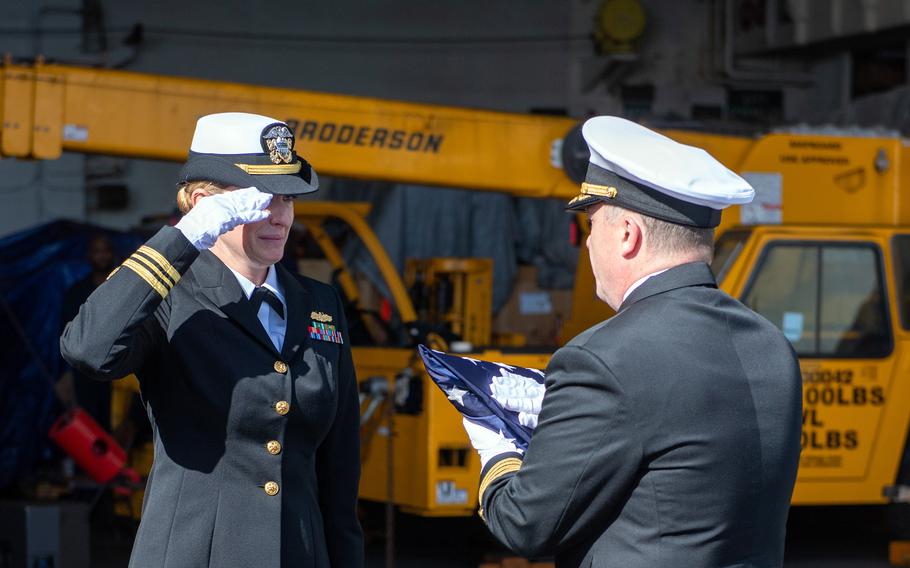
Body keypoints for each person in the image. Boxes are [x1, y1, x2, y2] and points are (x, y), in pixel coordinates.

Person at [463, 116, 802, 567]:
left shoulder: (601, 361)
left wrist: (498, 446)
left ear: (627, 235)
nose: (586, 246)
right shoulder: (772, 346)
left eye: (591, 227)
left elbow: (525, 525)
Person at [60, 112, 363, 568]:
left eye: (287, 197)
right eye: (261, 198)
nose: (279, 215)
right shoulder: (167, 296)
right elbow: (89, 349)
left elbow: (339, 473)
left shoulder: (319, 303)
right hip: (197, 552)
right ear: (203, 202)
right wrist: (184, 239)